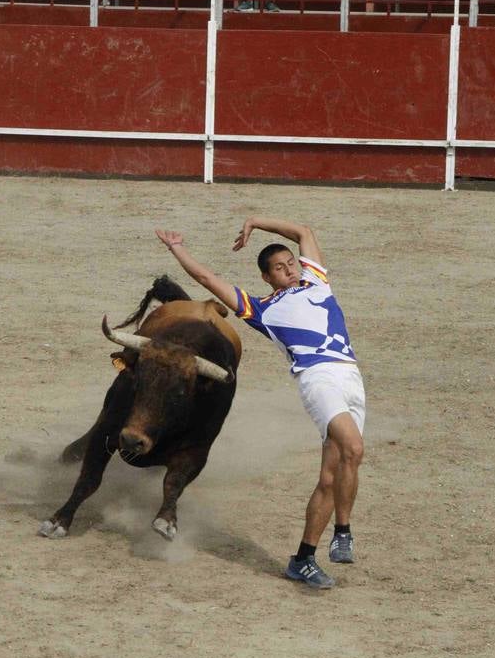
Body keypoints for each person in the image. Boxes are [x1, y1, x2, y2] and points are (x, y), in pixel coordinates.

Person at [156, 217, 366, 590]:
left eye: (291, 264)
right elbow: (207, 280)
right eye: (279, 269)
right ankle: (344, 533)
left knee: (331, 477)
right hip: (317, 377)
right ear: (267, 278)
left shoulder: (315, 278)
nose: (289, 270)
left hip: (351, 376)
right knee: (353, 447)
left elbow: (304, 232)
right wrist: (177, 248)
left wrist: (256, 221)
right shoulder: (260, 309)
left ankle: (302, 559)